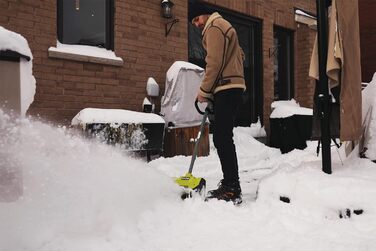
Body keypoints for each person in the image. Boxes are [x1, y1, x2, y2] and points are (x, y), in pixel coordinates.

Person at [189, 0, 246, 204]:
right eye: (193, 21)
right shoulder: (224, 26)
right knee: (223, 137)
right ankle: (231, 183)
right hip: (229, 88)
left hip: (227, 89)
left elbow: (214, 62)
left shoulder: (214, 26)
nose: (196, 24)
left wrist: (204, 91)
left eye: (197, 19)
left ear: (205, 13)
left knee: (222, 137)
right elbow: (237, 57)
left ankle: (232, 187)